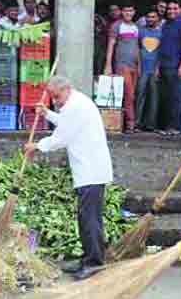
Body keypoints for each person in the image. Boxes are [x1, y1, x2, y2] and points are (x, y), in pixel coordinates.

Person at [23, 76, 114, 281]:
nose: (55, 101)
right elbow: (66, 124)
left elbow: (62, 137)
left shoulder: (76, 107)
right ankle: (88, 258)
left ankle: (94, 263)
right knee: (85, 218)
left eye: (56, 97)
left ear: (66, 89)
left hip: (91, 170)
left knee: (90, 219)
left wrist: (37, 146)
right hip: (87, 170)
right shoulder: (75, 103)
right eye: (52, 98)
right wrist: (47, 113)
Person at [104, 0, 140, 133]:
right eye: (125, 11)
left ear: (134, 12)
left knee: (132, 95)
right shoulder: (116, 26)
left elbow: (137, 47)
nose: (128, 13)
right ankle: (130, 124)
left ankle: (126, 123)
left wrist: (139, 65)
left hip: (134, 66)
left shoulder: (136, 27)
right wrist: (108, 65)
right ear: (121, 12)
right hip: (122, 65)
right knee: (128, 94)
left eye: (130, 11)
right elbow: (111, 45)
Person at [158, 0, 181, 135]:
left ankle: (175, 127)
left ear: (179, 9)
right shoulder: (165, 24)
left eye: (174, 9)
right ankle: (167, 127)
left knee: (176, 97)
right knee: (166, 96)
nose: (171, 11)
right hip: (164, 65)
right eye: (169, 9)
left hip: (176, 66)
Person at [135, 6, 163, 132]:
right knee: (140, 95)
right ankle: (137, 123)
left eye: (153, 17)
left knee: (154, 97)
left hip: (154, 69)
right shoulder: (141, 31)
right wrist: (139, 66)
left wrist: (158, 68)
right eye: (148, 17)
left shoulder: (161, 33)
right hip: (143, 68)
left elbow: (162, 52)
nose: (150, 19)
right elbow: (138, 50)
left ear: (158, 18)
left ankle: (151, 125)